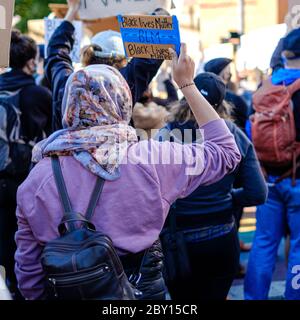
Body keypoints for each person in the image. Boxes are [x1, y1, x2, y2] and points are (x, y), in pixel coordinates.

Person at [14, 44, 241, 300]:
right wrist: (187, 84)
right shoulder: (151, 158)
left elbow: (29, 272)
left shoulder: (37, 177)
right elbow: (226, 153)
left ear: (70, 105)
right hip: (138, 289)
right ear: (122, 100)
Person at [156, 72, 267, 300]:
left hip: (178, 240)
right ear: (222, 104)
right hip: (221, 236)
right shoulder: (233, 134)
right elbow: (257, 192)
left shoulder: (164, 135)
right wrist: (229, 198)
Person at [46, 0, 164, 131]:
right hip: (115, 151)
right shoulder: (123, 85)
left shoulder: (67, 84)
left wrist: (72, 11)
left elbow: (55, 53)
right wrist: (161, 8)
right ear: (123, 62)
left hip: (64, 152)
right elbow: (154, 50)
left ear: (88, 57)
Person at [245, 28, 300, 300]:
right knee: (299, 248)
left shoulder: (265, 87)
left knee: (264, 243)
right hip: (298, 179)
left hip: (267, 179)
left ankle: (254, 297)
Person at [0, 30, 52, 297]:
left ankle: (9, 284)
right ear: (31, 62)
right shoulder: (38, 94)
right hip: (29, 182)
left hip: (1, 180)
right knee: (30, 242)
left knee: (4, 242)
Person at [204, 58, 249, 132]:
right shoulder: (234, 98)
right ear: (224, 75)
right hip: (234, 138)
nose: (229, 74)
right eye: (228, 71)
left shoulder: (198, 95)